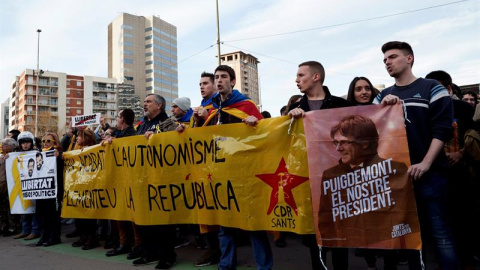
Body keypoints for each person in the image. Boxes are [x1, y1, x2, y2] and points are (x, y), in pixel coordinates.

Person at [374, 41, 458, 269]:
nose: (387, 63)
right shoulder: (382, 96)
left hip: (431, 175)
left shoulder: (432, 87)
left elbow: (442, 129)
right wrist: (384, 111)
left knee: (440, 234)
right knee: (408, 238)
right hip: (397, 179)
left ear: (409, 58)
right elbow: (371, 133)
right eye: (384, 60)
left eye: (392, 57)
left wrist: (426, 164)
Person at [195, 65, 272, 270]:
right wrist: (196, 122)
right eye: (217, 77)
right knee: (224, 224)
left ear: (233, 81)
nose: (219, 81)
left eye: (223, 77)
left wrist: (257, 123)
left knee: (253, 223)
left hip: (245, 174)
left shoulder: (246, 106)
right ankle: (226, 265)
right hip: (221, 174)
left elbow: (265, 134)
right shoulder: (212, 110)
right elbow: (202, 139)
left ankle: (264, 266)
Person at [288, 61, 351, 270]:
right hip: (308, 180)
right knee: (314, 236)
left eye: (300, 75)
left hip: (340, 181)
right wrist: (290, 120)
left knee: (341, 234)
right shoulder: (296, 108)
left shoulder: (341, 105)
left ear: (316, 77)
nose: (296, 80)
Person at [426, 70, 477, 269]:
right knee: (441, 222)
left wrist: (461, 153)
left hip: (463, 172)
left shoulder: (464, 108)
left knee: (465, 217)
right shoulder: (427, 109)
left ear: (448, 89)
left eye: (438, 89)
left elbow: (475, 136)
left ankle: (467, 258)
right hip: (436, 173)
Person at [134, 94, 177, 269]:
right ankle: (149, 253)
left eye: (148, 102)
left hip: (162, 179)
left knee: (163, 222)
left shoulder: (168, 124)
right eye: (144, 102)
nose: (144, 104)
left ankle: (167, 256)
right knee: (144, 220)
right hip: (143, 178)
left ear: (159, 106)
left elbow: (174, 147)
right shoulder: (142, 125)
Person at [191, 72, 222, 268]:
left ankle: (222, 252)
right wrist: (197, 121)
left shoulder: (221, 106)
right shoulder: (201, 108)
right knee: (206, 211)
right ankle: (213, 249)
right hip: (204, 167)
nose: (201, 87)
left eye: (205, 83)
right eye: (199, 84)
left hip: (219, 165)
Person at [105, 109, 143, 258]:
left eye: (118, 116)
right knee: (120, 214)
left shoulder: (132, 135)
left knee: (133, 216)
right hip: (119, 180)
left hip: (131, 180)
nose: (116, 119)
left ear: (124, 119)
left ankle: (138, 245)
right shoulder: (117, 136)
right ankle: (124, 244)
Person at [70, 128, 100, 250]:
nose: (76, 138)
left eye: (79, 136)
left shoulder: (95, 149)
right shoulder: (76, 150)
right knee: (80, 214)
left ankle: (92, 238)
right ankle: (83, 236)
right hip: (79, 186)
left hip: (90, 186)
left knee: (89, 215)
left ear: (86, 138)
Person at [35, 132, 63, 247]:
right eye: (43, 141)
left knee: (53, 214)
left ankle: (55, 237)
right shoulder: (39, 154)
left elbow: (62, 169)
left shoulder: (58, 153)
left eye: (48, 141)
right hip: (42, 188)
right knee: (43, 213)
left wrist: (58, 158)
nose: (45, 143)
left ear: (55, 142)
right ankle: (45, 235)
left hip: (54, 188)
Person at [13, 131, 42, 241]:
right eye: (23, 142)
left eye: (27, 142)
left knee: (33, 209)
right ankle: (25, 230)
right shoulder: (15, 155)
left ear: (31, 142)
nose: (25, 144)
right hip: (22, 185)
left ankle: (35, 231)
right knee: (24, 209)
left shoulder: (37, 153)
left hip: (34, 185)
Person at [0, 138, 21, 236]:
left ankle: (13, 227)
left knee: (11, 207)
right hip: (2, 185)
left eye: (4, 145)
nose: (2, 147)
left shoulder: (15, 156)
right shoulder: (1, 156)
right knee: (3, 208)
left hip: (11, 186)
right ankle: (4, 227)